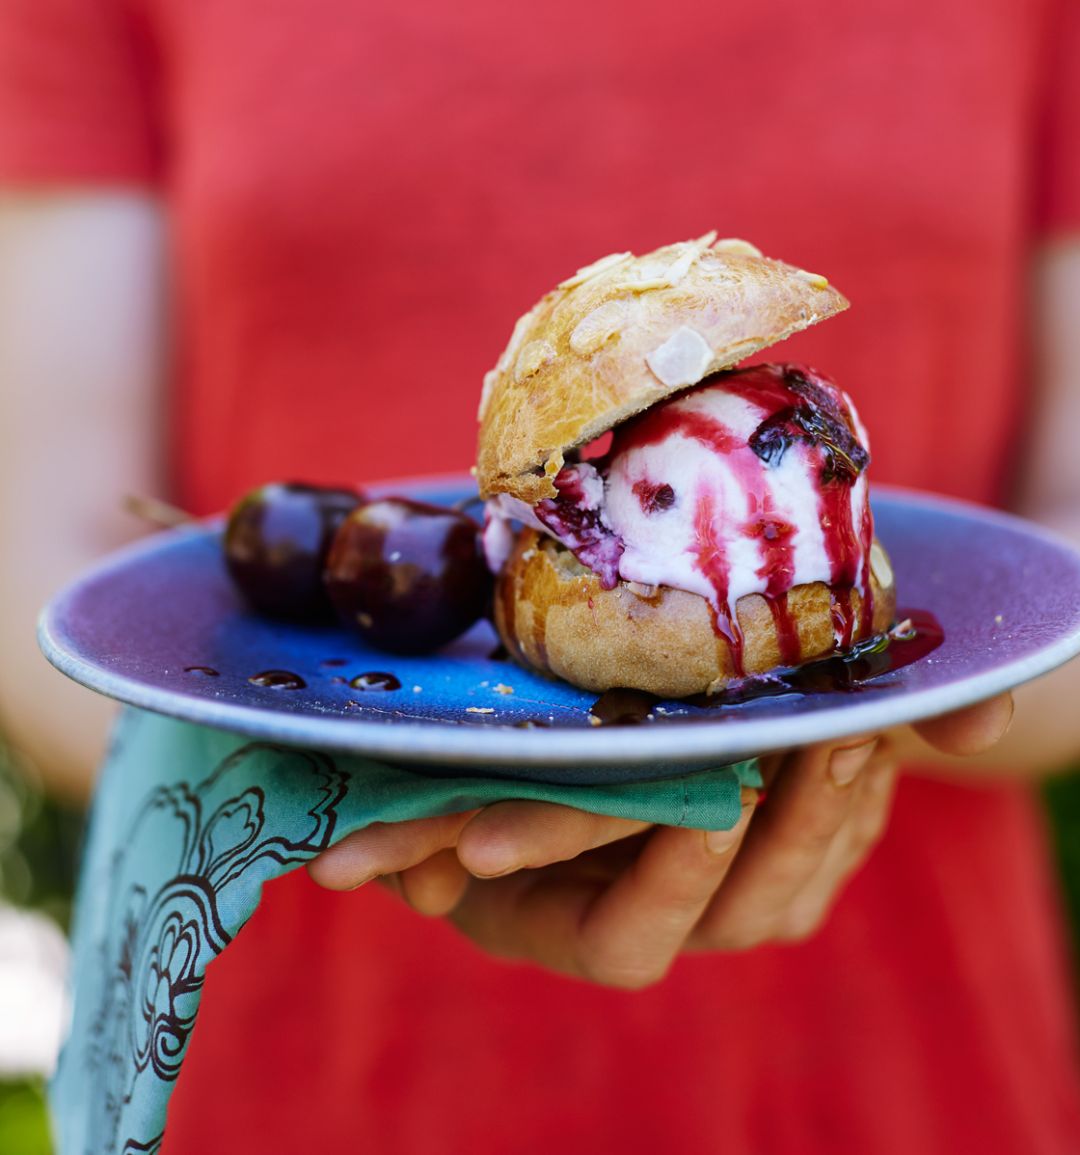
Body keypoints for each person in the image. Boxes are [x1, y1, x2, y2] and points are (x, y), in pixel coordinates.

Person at [1, 0, 1078, 1151]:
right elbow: (47, 586)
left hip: (903, 1054)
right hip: (303, 1053)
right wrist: (396, 776)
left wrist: (874, 722)